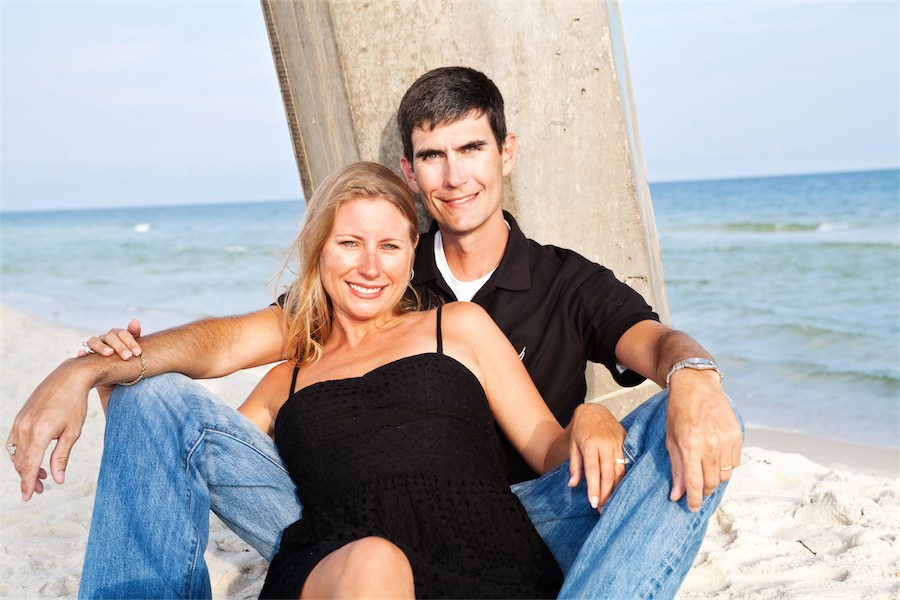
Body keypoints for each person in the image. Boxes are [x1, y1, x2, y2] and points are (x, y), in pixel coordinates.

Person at [7, 66, 742, 598]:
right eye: (433, 156)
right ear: (412, 172)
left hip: (505, 518)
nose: (371, 263)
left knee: (691, 427)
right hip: (331, 526)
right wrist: (93, 372)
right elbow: (220, 365)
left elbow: (564, 432)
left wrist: (671, 385)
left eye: (471, 151)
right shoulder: (320, 324)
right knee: (151, 401)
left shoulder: (478, 314)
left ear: (505, 154)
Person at [232, 160, 595, 597]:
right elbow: (207, 448)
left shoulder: (457, 326)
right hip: (343, 565)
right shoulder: (284, 380)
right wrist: (133, 361)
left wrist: (589, 419)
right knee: (374, 560)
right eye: (349, 243)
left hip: (487, 556)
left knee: (679, 415)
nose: (370, 267)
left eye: (388, 246)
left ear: (411, 252)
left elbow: (546, 448)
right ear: (318, 248)